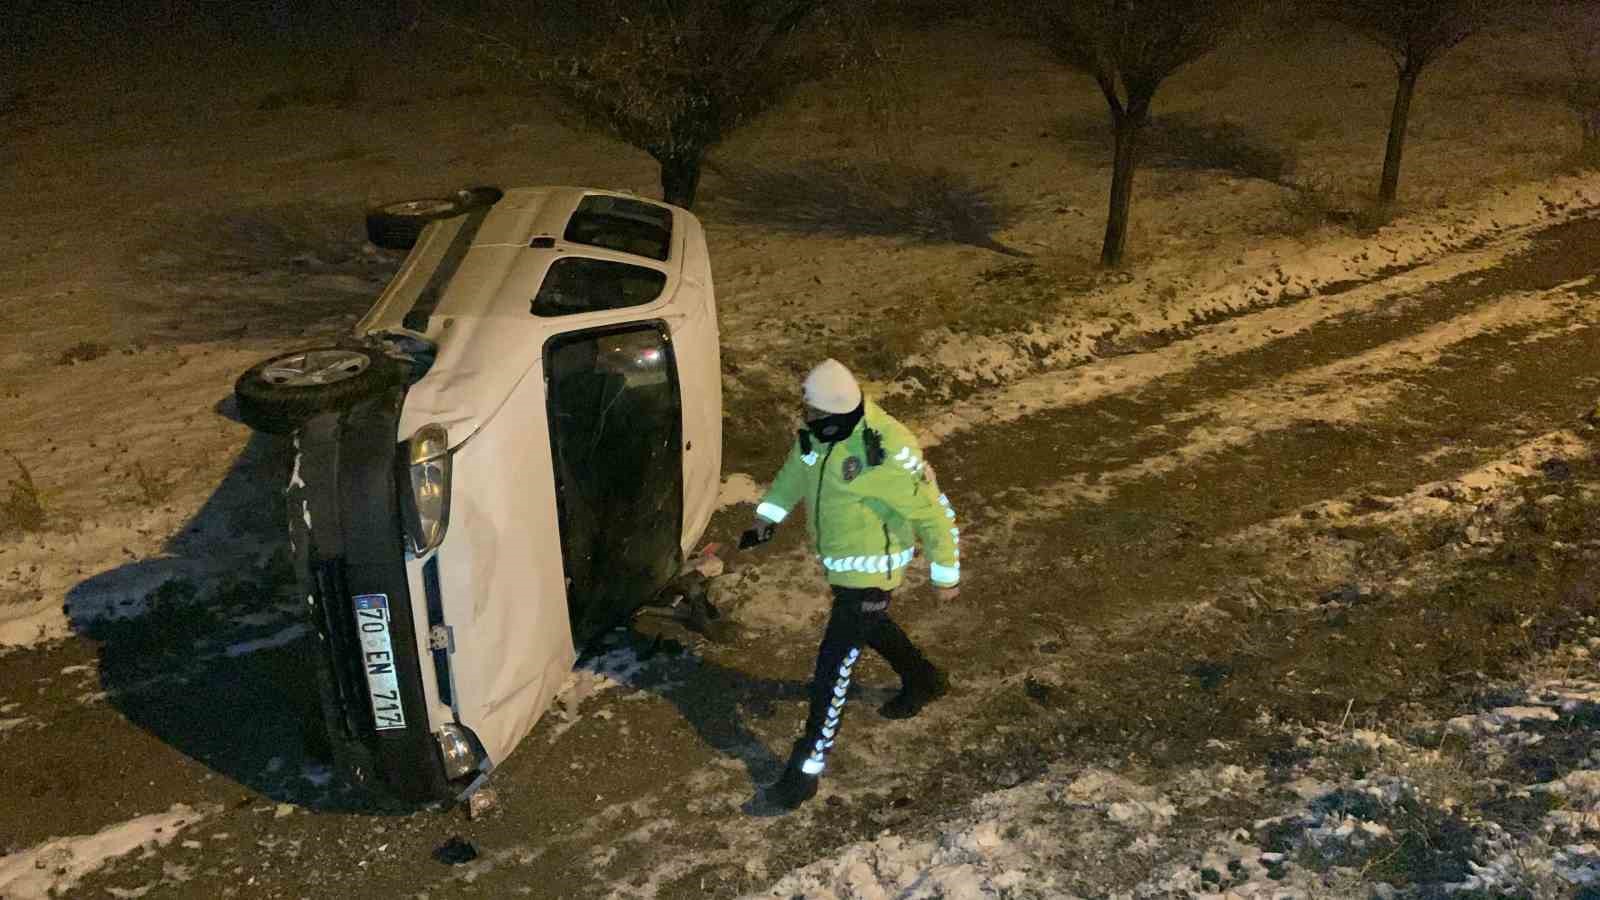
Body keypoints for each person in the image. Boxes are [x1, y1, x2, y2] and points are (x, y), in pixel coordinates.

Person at [741, 359, 962, 811]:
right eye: (809, 415)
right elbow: (793, 476)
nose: (808, 423)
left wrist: (946, 574)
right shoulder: (815, 439)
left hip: (873, 574)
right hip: (843, 571)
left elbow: (931, 512)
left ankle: (802, 774)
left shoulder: (883, 450)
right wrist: (767, 518)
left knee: (832, 672)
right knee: (872, 627)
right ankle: (924, 678)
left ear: (840, 416)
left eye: (816, 417)